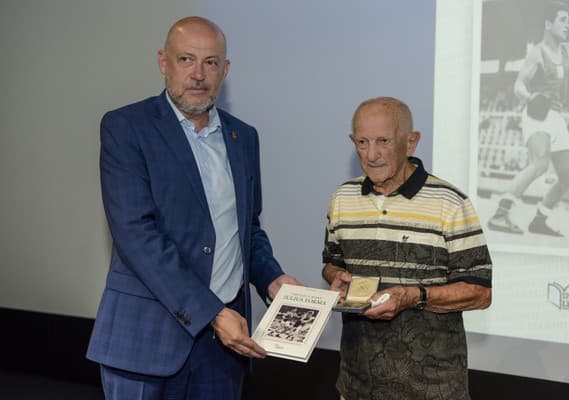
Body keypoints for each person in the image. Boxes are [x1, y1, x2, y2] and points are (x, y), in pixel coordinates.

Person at [86, 16, 299, 400]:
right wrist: (213, 314)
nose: (199, 74)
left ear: (225, 70)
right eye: (186, 60)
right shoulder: (126, 128)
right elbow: (137, 237)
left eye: (211, 62)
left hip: (222, 352)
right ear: (163, 62)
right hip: (146, 343)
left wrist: (272, 279)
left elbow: (246, 229)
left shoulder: (244, 137)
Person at [322, 97, 492, 399]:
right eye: (362, 142)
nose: (371, 154)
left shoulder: (450, 202)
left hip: (433, 389)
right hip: (356, 385)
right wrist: (336, 277)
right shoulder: (342, 198)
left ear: (411, 142)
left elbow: (480, 293)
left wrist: (414, 297)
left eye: (383, 141)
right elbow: (332, 262)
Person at [488, 1, 569, 236]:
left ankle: (540, 219)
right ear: (548, 24)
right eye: (563, 20)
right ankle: (500, 214)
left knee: (568, 179)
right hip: (537, 113)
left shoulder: (568, 50)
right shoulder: (537, 53)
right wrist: (530, 99)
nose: (568, 25)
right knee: (539, 163)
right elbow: (519, 85)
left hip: (557, 117)